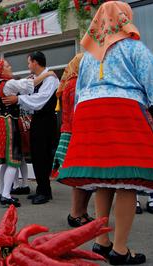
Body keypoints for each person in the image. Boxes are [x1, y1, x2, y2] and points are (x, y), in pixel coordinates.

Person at [57, 2, 153, 264]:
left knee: (105, 178)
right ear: (125, 19)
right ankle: (120, 249)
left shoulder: (89, 55)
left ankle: (102, 242)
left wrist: (79, 124)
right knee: (128, 179)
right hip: (120, 111)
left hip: (90, 115)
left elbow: (79, 93)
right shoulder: (134, 48)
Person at [0, 59, 53, 207]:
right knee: (14, 159)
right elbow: (29, 86)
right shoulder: (8, 83)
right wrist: (47, 74)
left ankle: (3, 192)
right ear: (1, 70)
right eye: (7, 66)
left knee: (6, 160)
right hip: (8, 122)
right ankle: (5, 194)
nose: (10, 67)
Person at [3, 51, 59, 204]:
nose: (28, 66)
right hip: (37, 119)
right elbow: (26, 89)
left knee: (43, 156)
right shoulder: (36, 78)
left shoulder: (51, 78)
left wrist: (18, 99)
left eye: (29, 62)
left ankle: (45, 192)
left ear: (35, 62)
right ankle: (41, 189)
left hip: (46, 120)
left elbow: (40, 100)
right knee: (36, 155)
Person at [51, 53, 94, 227]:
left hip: (70, 132)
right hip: (76, 132)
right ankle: (76, 213)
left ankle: (80, 212)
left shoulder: (69, 83)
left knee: (82, 176)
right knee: (81, 176)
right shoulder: (76, 84)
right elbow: (79, 112)